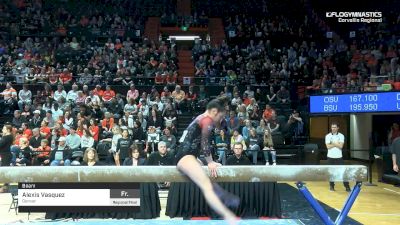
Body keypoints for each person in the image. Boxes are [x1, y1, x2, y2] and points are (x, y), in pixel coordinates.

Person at [175, 99, 239, 224]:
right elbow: (205, 143)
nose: (221, 120)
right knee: (206, 187)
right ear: (214, 112)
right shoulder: (207, 120)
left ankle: (221, 194)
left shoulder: (201, 117)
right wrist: (210, 162)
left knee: (206, 180)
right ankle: (229, 216)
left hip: (190, 155)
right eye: (221, 116)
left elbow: (193, 140)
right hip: (185, 156)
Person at [325, 122, 351, 192]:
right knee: (331, 173)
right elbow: (328, 147)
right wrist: (337, 143)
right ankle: (331, 186)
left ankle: (347, 186)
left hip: (339, 157)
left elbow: (341, 146)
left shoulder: (341, 136)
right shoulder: (327, 136)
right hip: (330, 157)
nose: (333, 128)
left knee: (343, 172)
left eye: (335, 127)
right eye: (332, 127)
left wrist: (332, 143)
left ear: (337, 128)